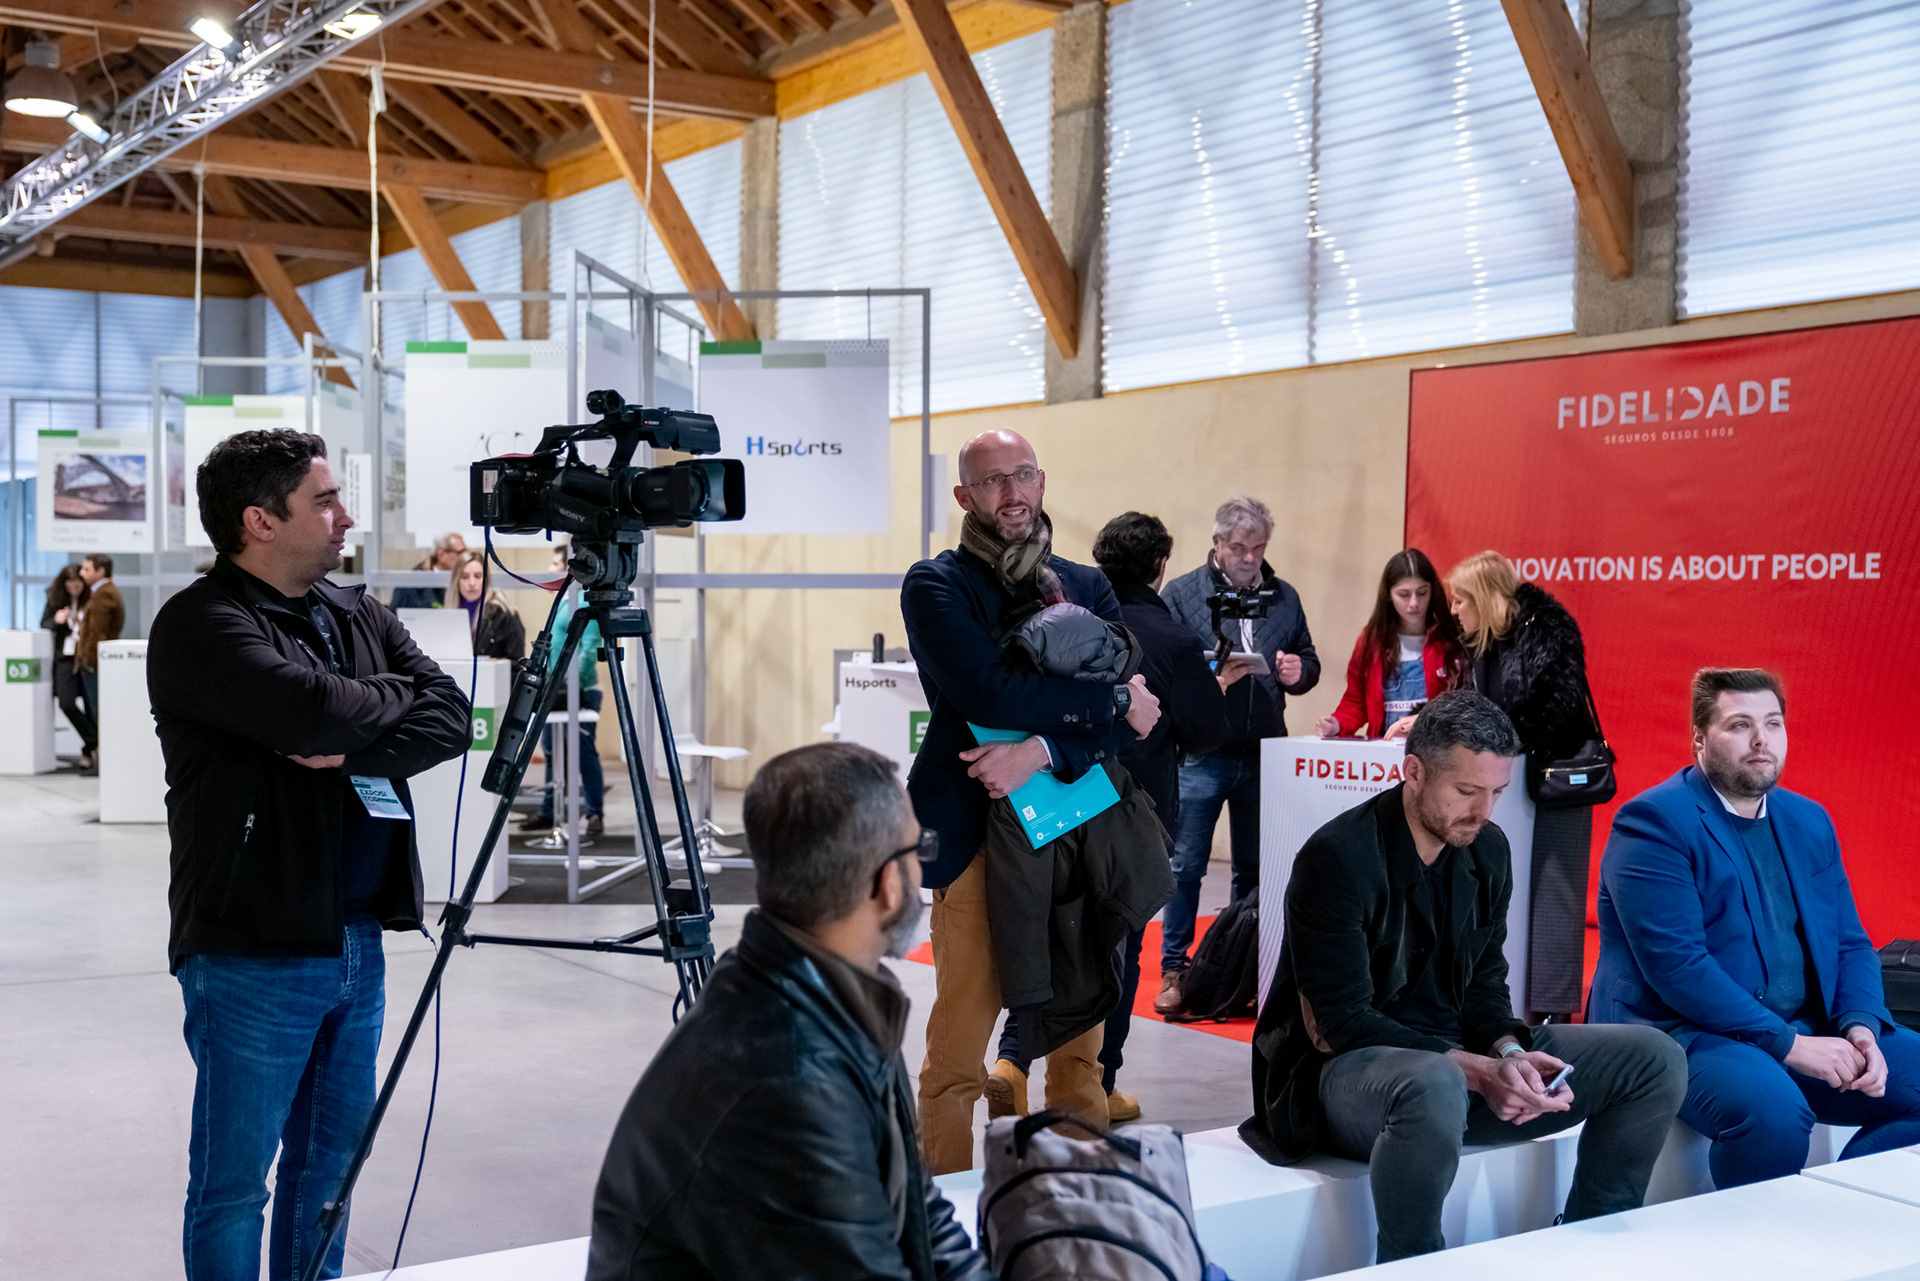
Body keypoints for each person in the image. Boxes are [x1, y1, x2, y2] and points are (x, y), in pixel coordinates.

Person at [148, 429, 470, 1281]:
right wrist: (385, 700)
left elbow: (449, 713)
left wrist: (357, 724)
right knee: (233, 1187)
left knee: (330, 1171)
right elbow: (309, 713)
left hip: (358, 936)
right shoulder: (202, 624)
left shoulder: (355, 610)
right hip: (253, 946)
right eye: (324, 502)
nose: (345, 517)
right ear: (260, 521)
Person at [1245, 690, 1687, 1264]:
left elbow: (1484, 985)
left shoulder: (1487, 849)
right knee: (1434, 1083)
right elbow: (1339, 1025)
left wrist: (1510, 1053)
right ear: (1413, 772)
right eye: (1466, 790)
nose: (1484, 811)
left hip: (1459, 1068)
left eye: (1497, 792)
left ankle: (1589, 1244)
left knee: (1654, 1058)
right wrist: (1479, 1071)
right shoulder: (1337, 857)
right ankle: (1412, 1266)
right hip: (1346, 1081)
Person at [586, 742, 990, 1281]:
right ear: (888, 884)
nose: (923, 869)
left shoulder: (831, 993)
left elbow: (918, 1212)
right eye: (919, 848)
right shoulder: (790, 1080)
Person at [901, 428, 1161, 1174]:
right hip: (975, 838)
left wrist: (1038, 751)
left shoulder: (1086, 585)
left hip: (1078, 831)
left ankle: (1075, 1208)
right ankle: (944, 1217)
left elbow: (1125, 728)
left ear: (1042, 480)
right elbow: (988, 691)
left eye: (1022, 475)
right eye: (992, 481)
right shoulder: (938, 585)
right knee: (958, 1054)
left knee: (1079, 1051)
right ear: (965, 496)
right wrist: (1112, 699)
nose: (1011, 493)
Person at [1590, 668, 1920, 1188]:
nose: (1761, 739)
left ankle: (1842, 1211)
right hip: (1678, 1031)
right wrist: (1792, 1045)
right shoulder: (1653, 823)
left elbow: (1850, 943)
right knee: (1774, 1116)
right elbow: (1679, 969)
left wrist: (1861, 1028)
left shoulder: (1809, 820)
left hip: (1800, 1023)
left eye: (1773, 723)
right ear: (1699, 738)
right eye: (1740, 724)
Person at [988, 511, 1229, 1124]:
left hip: (1043, 800)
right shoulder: (1165, 640)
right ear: (1161, 566)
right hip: (1125, 810)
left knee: (1045, 941)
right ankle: (1099, 1085)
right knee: (1114, 949)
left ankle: (1012, 1064)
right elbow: (1208, 731)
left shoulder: (1042, 621)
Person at [1158, 496, 1319, 1009]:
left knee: (1253, 869)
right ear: (1217, 544)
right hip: (1203, 751)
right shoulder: (1183, 594)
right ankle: (1174, 970)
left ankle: (1235, 971)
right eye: (1239, 547)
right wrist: (1213, 676)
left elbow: (1308, 660)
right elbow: (1165, 668)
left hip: (1264, 754)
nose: (1250, 558)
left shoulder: (1284, 596)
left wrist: (1298, 672)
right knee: (1186, 867)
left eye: (1259, 548)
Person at [1447, 549, 1596, 1021]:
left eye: (1460, 599)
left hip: (1556, 782)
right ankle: (1483, 999)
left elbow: (1558, 705)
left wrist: (1501, 739)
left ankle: (1553, 1009)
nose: (1453, 609)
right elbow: (1470, 703)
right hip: (1502, 784)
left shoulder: (1548, 628)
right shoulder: (1480, 640)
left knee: (1557, 895)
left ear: (1483, 597)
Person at [1317, 549, 1466, 741]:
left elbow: (1462, 704)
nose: (1414, 603)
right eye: (1404, 594)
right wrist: (1337, 723)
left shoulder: (1450, 638)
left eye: (1422, 593)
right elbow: (1356, 701)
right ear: (1388, 594)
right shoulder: (1371, 641)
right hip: (1383, 749)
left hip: (1435, 750)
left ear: (1433, 591)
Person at [519, 543, 606, 838]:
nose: (550, 569)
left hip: (579, 691)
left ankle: (594, 813)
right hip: (555, 690)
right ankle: (549, 811)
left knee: (584, 754)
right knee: (552, 750)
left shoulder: (583, 602)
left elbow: (589, 650)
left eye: (556, 564)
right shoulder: (563, 602)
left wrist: (571, 685)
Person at [72, 551, 124, 776]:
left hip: (97, 666)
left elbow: (98, 633)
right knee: (97, 714)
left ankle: (106, 765)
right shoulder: (100, 593)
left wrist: (89, 661)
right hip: (94, 665)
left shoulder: (105, 595)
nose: (82, 573)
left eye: (87, 569)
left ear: (100, 571)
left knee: (100, 714)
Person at [40, 564, 96, 768]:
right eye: (70, 584)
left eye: (77, 583)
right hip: (65, 657)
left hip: (86, 656)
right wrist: (57, 620)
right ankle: (95, 740)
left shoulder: (91, 599)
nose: (74, 587)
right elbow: (44, 623)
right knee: (67, 702)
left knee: (92, 706)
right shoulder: (55, 598)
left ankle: (89, 751)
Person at [449, 548, 526, 661]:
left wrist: (494, 663)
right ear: (456, 580)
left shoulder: (504, 614)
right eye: (464, 577)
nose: (472, 583)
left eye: (478, 576)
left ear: (486, 579)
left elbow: (517, 662)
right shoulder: (448, 616)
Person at [390, 531, 465, 610]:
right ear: (442, 554)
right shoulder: (411, 585)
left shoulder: (464, 580)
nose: (465, 557)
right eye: (461, 553)